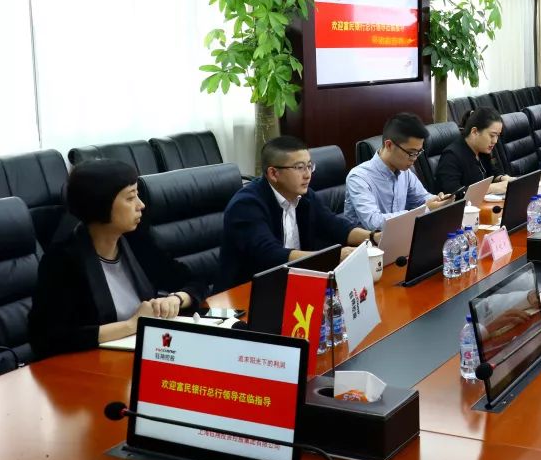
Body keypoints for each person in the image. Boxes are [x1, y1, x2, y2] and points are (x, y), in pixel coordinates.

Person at [29, 160, 207, 358]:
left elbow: (195, 281)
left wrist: (176, 299)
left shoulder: (135, 241)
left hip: (145, 352)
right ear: (100, 205)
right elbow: (47, 339)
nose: (141, 205)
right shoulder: (61, 261)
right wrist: (131, 325)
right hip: (95, 365)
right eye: (130, 198)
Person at [219, 136, 372, 289]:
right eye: (299, 167)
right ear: (273, 173)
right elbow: (270, 255)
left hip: (295, 283)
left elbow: (333, 225)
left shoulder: (305, 196)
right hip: (248, 291)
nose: (308, 174)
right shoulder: (246, 205)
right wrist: (332, 258)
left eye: (309, 166)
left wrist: (373, 236)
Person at [343, 112, 454, 231]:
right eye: (411, 153)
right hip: (368, 241)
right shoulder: (359, 178)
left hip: (400, 235)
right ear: (389, 145)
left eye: (418, 152)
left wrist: (438, 201)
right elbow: (374, 222)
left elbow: (422, 198)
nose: (414, 158)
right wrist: (426, 209)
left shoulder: (405, 171)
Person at [434, 107, 512, 196]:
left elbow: (493, 172)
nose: (495, 141)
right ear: (474, 132)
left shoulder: (483, 150)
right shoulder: (451, 156)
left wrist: (502, 178)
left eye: (497, 135)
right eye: (492, 135)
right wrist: (489, 188)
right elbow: (453, 193)